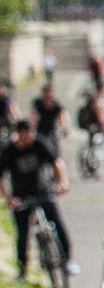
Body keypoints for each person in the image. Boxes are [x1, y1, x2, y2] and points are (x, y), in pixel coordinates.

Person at [3, 117, 75, 278]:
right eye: (26, 134)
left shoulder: (39, 143)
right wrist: (9, 199)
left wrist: (62, 182)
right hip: (21, 196)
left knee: (57, 222)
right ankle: (22, 270)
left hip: (42, 191)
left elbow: (56, 162)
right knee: (22, 234)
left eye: (31, 133)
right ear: (19, 134)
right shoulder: (9, 150)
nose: (30, 137)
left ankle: (68, 260)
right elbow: (2, 177)